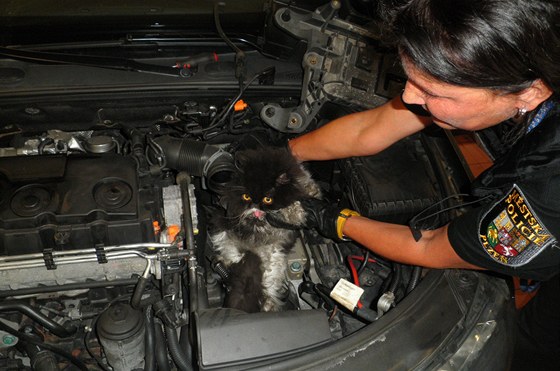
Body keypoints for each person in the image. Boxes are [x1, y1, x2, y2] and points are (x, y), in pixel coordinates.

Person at [288, 0, 559, 369]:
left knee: (532, 339)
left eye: (434, 92)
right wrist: (286, 155)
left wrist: (335, 219)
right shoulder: (508, 62)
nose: (411, 97)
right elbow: (370, 129)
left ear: (530, 92)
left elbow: (431, 245)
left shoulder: (548, 197)